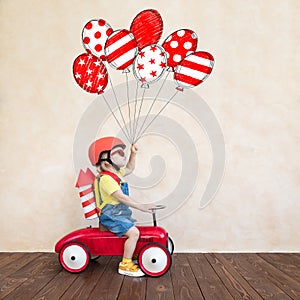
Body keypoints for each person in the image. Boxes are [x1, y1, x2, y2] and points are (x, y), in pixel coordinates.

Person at [88, 136, 155, 277]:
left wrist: (133, 153)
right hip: (110, 214)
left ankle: (131, 253)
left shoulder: (116, 174)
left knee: (133, 228)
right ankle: (125, 264)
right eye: (117, 152)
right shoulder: (106, 179)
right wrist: (141, 206)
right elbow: (121, 197)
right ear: (106, 163)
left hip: (118, 212)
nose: (122, 154)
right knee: (134, 233)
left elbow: (130, 168)